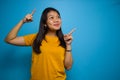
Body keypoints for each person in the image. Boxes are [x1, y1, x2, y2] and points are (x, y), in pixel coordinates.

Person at [5, 7, 73, 80]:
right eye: (51, 18)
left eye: (58, 17)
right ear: (45, 23)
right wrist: (22, 21)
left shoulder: (64, 40)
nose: (56, 20)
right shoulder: (35, 38)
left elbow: (68, 67)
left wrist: (68, 45)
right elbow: (9, 39)